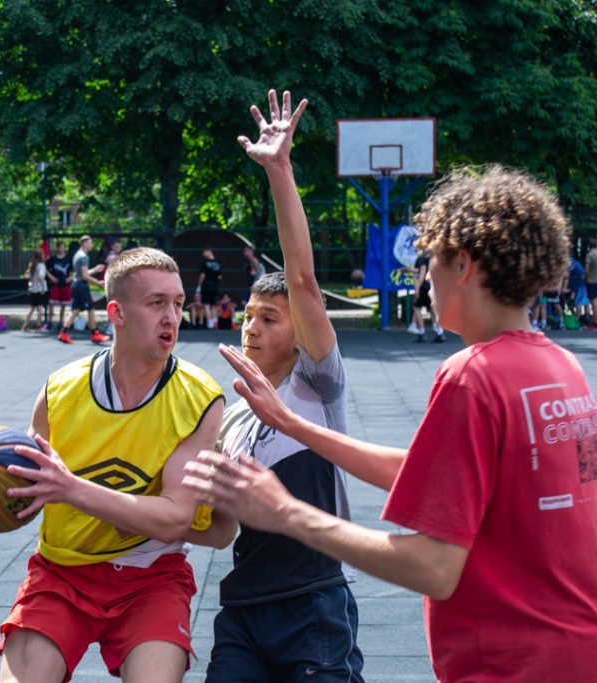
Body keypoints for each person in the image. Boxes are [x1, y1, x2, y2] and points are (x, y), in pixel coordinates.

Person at [186, 164, 597, 682]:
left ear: (463, 265)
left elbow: (434, 567)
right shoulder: (559, 367)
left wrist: (287, 512)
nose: (426, 277)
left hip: (525, 657)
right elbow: (434, 471)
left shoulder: (475, 375)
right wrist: (296, 426)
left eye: (431, 262)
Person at [0, 247, 224, 683]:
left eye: (178, 303)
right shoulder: (61, 391)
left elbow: (174, 518)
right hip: (61, 573)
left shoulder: (199, 399)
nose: (172, 317)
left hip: (151, 574)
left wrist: (70, 488)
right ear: (117, 312)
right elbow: (31, 480)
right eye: (156, 304)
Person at [187, 90, 364, 682]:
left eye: (270, 317)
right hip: (242, 610)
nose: (253, 326)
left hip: (313, 602)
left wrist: (279, 171)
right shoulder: (232, 417)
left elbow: (305, 280)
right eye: (248, 316)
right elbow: (217, 531)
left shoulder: (320, 386)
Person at [58, 235, 110, 345]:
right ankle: (95, 334)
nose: (91, 245)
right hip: (81, 286)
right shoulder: (84, 257)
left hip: (76, 284)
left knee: (75, 310)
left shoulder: (78, 255)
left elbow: (81, 273)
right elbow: (85, 276)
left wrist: (95, 269)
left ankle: (63, 333)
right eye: (90, 243)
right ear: (85, 243)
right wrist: (98, 283)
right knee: (90, 308)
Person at [409, 249, 445, 343]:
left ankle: (422, 332)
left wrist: (417, 288)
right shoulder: (431, 257)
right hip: (431, 285)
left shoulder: (422, 258)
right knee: (432, 309)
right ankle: (439, 332)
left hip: (424, 287)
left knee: (416, 307)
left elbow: (422, 273)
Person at [46, 239, 74, 332]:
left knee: (63, 304)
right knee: (51, 304)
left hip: (65, 284)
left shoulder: (69, 258)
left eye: (63, 247)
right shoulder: (52, 259)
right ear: (57, 248)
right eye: (60, 247)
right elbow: (45, 269)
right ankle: (49, 322)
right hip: (55, 284)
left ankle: (61, 322)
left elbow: (72, 271)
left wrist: (70, 277)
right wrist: (52, 277)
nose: (62, 249)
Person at [21, 249, 48, 335]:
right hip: (40, 289)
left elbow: (27, 276)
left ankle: (25, 325)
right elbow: (41, 277)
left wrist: (31, 284)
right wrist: (43, 288)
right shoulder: (41, 266)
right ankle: (38, 325)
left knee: (32, 308)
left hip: (33, 289)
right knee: (40, 308)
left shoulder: (32, 265)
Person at [196, 247, 222, 328]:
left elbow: (202, 275)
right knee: (214, 305)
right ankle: (215, 323)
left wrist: (199, 286)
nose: (203, 254)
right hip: (215, 286)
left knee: (206, 305)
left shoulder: (205, 262)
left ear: (209, 251)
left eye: (204, 252)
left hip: (206, 286)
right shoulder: (218, 263)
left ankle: (210, 324)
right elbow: (220, 277)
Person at [585, 237, 597, 328]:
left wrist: (584, 277)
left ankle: (595, 319)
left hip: (591, 281)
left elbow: (587, 269)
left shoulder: (590, 255)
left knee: (593, 301)